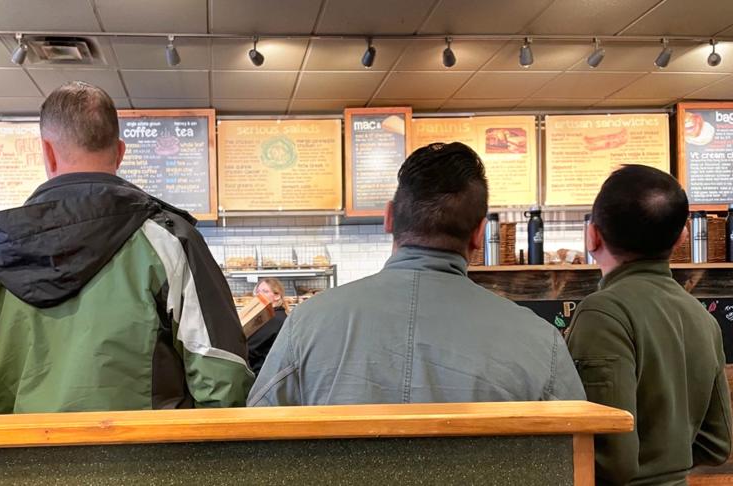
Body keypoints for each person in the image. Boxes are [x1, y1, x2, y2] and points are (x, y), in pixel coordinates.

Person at [0, 81, 252, 414]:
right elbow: (223, 377)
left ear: (47, 152)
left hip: (26, 463)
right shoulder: (168, 243)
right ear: (121, 152)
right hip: (151, 464)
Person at [248, 142, 585, 406]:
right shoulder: (541, 342)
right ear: (479, 234)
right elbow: (574, 457)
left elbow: (257, 439)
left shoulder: (306, 324)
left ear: (389, 218)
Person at [567, 165, 732, 485]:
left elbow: (611, 460)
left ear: (592, 235)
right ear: (682, 238)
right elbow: (717, 443)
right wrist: (667, 461)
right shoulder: (703, 318)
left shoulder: (603, 314)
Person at [248, 278, 289, 377]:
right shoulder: (278, 315)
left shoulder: (273, 319)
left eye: (265, 291)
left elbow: (251, 348)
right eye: (257, 292)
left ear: (277, 296)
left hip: (261, 374)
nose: (259, 295)